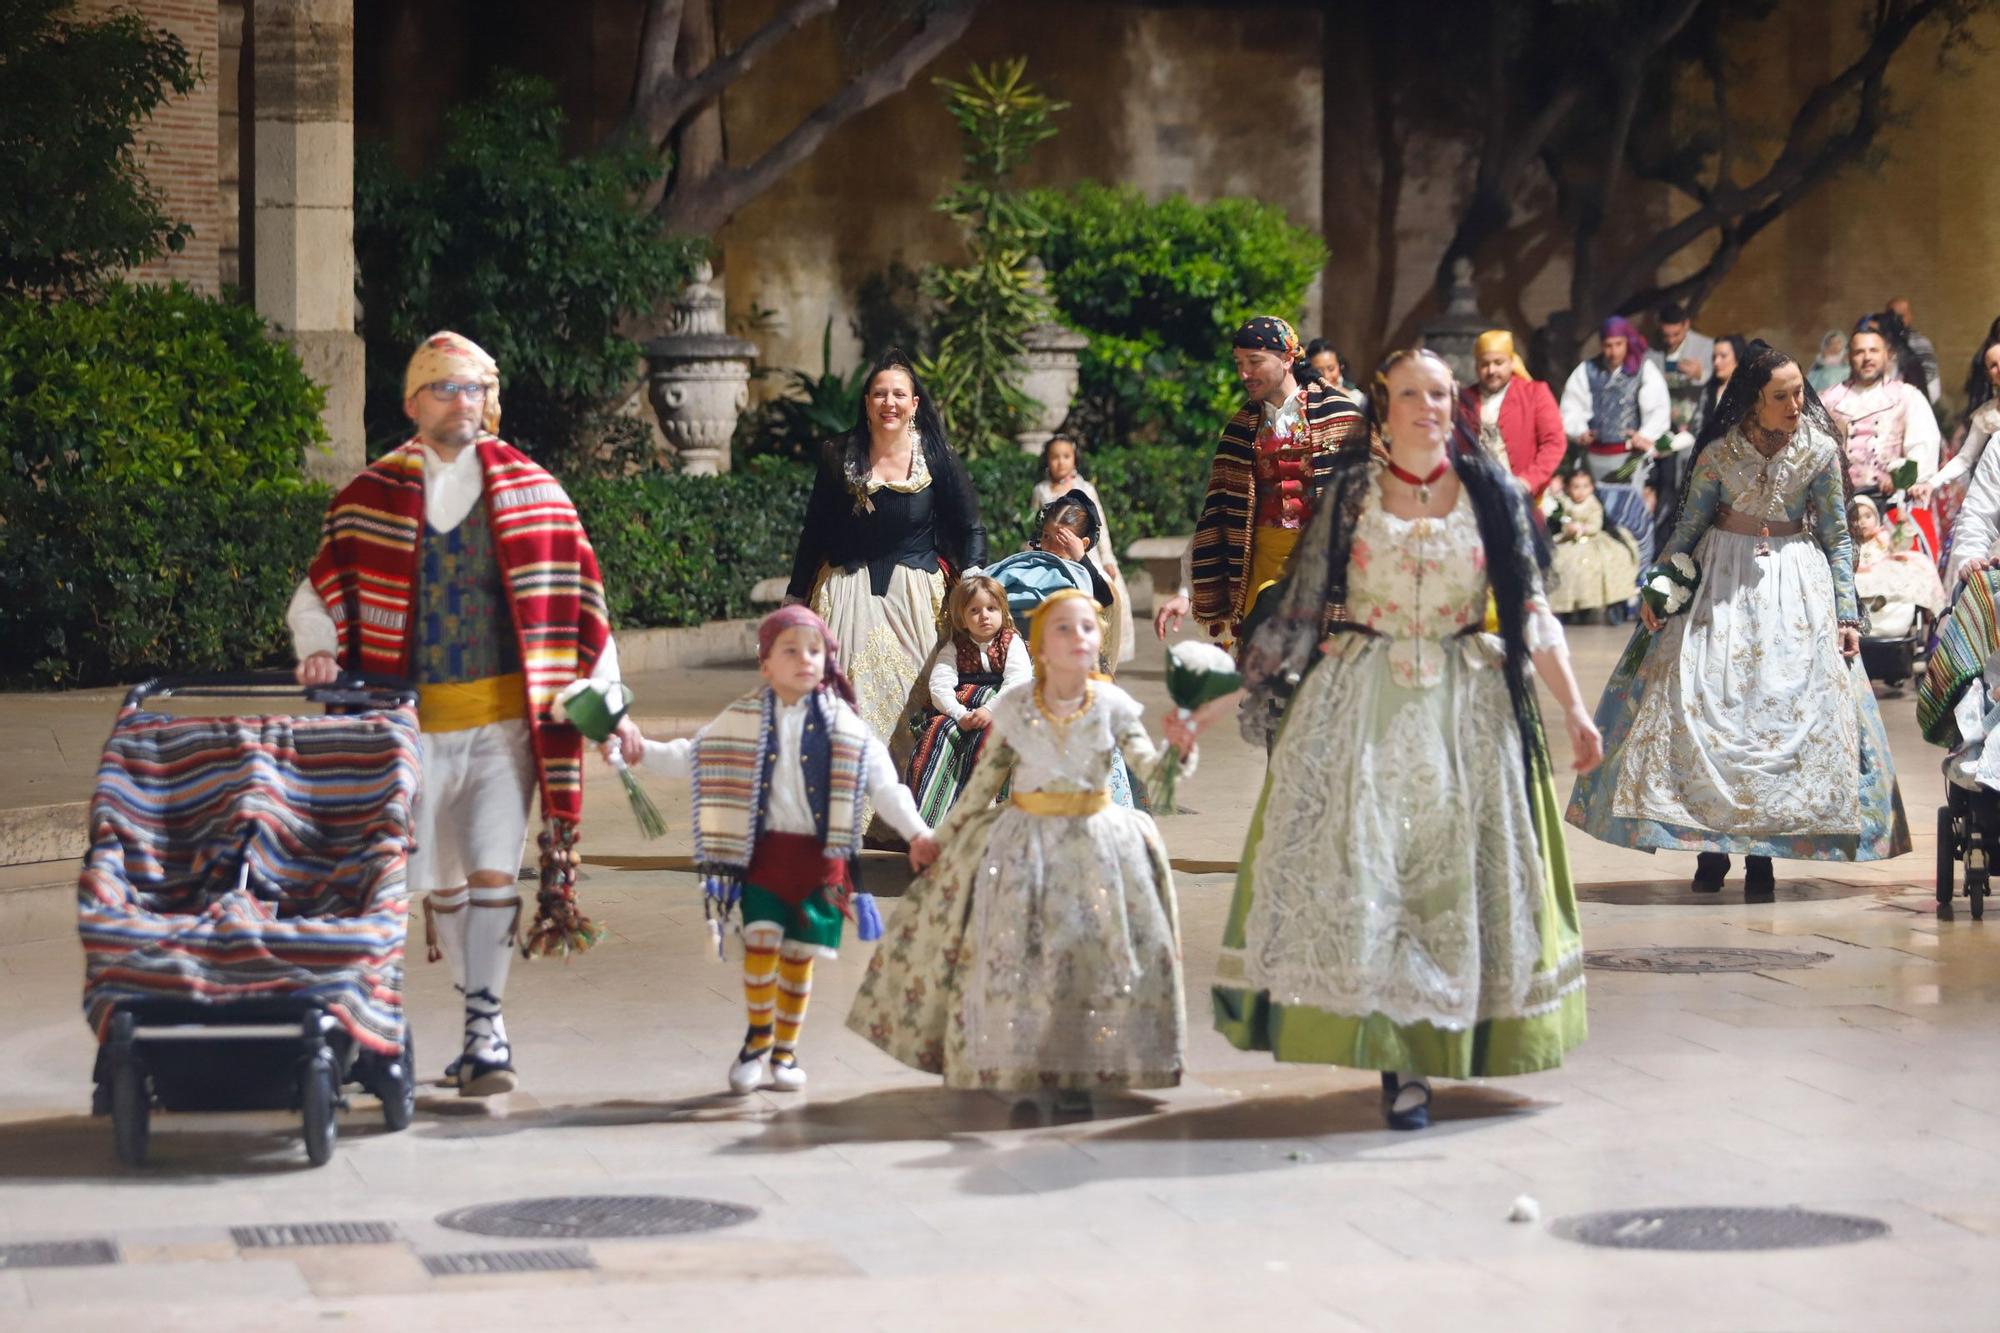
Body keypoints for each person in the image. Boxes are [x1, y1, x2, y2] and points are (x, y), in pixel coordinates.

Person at [1184, 348, 1601, 1131]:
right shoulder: (1350, 498)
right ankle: (1398, 1061)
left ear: (1457, 402)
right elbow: (1296, 615)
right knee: (1376, 872)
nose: (1427, 406)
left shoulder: (1496, 495)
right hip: (1363, 696)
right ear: (1384, 406)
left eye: (1440, 393)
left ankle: (1445, 1039)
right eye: (1409, 393)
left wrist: (1575, 711)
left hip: (1467, 703)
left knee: (1455, 877)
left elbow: (1532, 612)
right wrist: (1213, 702)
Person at [288, 331, 635, 1097]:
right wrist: (318, 647)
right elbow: (318, 591)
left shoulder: (539, 492)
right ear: (412, 403)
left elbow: (584, 607)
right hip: (404, 732)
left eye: (474, 388)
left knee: (491, 869)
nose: (462, 402)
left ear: (492, 400)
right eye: (445, 388)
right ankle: (394, 1017)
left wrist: (608, 707)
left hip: (506, 730)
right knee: (431, 882)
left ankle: (487, 1027)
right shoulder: (369, 496)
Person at [1568, 341, 1911, 895]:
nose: (1797, 404)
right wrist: (1660, 587)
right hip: (1721, 583)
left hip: (1796, 586)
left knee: (1778, 712)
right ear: (1753, 402)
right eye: (1782, 396)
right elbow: (1686, 529)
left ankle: (1762, 857)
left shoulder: (1818, 451)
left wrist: (1848, 612)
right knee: (1708, 708)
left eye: (1800, 392)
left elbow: (1838, 536)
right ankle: (1710, 847)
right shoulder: (1719, 455)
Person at [847, 589, 1188, 1118]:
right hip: (1028, 844)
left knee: (1084, 960)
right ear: (1040, 647)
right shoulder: (1019, 706)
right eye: (1063, 629)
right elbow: (981, 786)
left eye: (1088, 629)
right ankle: (1026, 1071)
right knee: (1027, 959)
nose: (1079, 638)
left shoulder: (1114, 704)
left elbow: (1153, 773)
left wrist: (1180, 750)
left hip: (1097, 846)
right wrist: (938, 836)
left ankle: (1075, 1072)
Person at [616, 607, 936, 1095]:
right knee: (762, 943)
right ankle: (757, 1039)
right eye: (791, 650)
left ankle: (784, 1051)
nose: (805, 659)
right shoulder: (743, 718)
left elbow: (885, 786)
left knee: (798, 958)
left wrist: (916, 832)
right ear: (765, 664)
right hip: (764, 858)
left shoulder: (846, 728)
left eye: (815, 650)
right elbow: (693, 756)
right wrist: (642, 751)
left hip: (820, 863)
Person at [785, 350, 987, 748]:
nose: (888, 403)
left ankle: (912, 804)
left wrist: (974, 578)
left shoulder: (936, 457)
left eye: (898, 395)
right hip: (846, 595)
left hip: (916, 598)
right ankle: (851, 804)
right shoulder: (838, 454)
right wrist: (794, 597)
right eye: (879, 394)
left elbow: (970, 528)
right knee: (848, 703)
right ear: (866, 402)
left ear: (914, 404)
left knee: (920, 700)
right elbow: (815, 531)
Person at [1154, 316, 1368, 648]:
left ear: (1287, 358)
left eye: (1254, 362)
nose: (1244, 374)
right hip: (1261, 566)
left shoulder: (1340, 416)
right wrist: (1186, 592)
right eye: (1239, 363)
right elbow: (1218, 515)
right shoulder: (1240, 430)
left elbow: (1377, 499)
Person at [897, 573, 1030, 826]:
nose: (984, 616)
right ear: (962, 618)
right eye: (975, 610)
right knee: (937, 732)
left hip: (1003, 702)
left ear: (1002, 610)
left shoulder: (1010, 642)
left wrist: (990, 709)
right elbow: (940, 685)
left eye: (991, 608)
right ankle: (932, 823)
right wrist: (959, 714)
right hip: (962, 706)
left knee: (994, 736)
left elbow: (1018, 681)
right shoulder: (954, 647)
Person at [1032, 432, 1134, 666]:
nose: (1060, 461)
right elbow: (1036, 521)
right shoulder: (1041, 490)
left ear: (1075, 459)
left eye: (1066, 456)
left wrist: (1106, 558)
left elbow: (1102, 527)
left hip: (1086, 554)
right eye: (1054, 456)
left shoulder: (1085, 487)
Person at [1823, 318, 1942, 504]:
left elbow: (1922, 449)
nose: (1867, 358)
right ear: (1849, 357)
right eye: (1859, 352)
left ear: (1887, 355)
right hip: (1840, 505)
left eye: (1874, 351)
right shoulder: (1828, 400)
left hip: (1891, 503)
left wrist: (1900, 481)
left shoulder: (1907, 397)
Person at [1560, 315, 1671, 490]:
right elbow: (1571, 405)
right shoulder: (1587, 370)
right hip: (1594, 455)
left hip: (1629, 456)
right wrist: (1579, 431)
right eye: (1608, 345)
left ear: (1626, 342)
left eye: (1618, 344)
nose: (1614, 351)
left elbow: (1659, 407)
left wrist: (1646, 435)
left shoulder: (1644, 370)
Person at [1461, 328, 1566, 496]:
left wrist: (1529, 481)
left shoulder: (1535, 393)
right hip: (1476, 495)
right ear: (1476, 366)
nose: (1491, 370)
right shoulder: (1464, 399)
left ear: (1511, 362)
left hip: (1523, 494)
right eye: (1485, 364)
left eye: (1498, 362)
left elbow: (1554, 443)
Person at [1547, 469, 1641, 620]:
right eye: (1576, 487)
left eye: (1585, 486)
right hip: (1569, 541)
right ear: (1568, 488)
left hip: (1592, 539)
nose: (1580, 491)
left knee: (1604, 562)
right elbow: (1561, 518)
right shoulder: (1565, 503)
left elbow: (1596, 524)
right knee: (1561, 563)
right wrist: (1568, 528)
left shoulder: (1592, 503)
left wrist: (1582, 528)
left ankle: (1609, 604)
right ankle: (1569, 607)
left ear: (1591, 487)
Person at [1849, 495, 1945, 639]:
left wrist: (1903, 526)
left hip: (1881, 572)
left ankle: (1882, 604)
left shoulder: (1883, 537)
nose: (1862, 522)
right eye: (1856, 518)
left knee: (1905, 570)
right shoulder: (1851, 544)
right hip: (1862, 574)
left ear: (1876, 517)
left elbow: (1900, 545)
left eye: (1867, 516)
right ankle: (1868, 609)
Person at [1649, 301, 1715, 437]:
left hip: (1696, 426)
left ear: (1686, 325)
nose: (1671, 340)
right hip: (1662, 426)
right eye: (1666, 335)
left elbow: (1725, 381)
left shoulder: (1706, 346)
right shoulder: (1651, 350)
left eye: (1676, 334)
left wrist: (1700, 374)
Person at [1885, 297, 1943, 404]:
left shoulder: (1922, 343)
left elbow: (1930, 380)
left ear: (1910, 317)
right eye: (1892, 316)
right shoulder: (1880, 342)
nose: (1897, 320)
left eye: (1901, 316)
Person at [1306, 336, 1368, 412]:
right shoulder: (1304, 400)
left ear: (1340, 366)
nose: (1326, 376)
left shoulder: (1357, 400)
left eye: (1331, 369)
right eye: (1318, 371)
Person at [1807, 330, 1849, 394]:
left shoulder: (1848, 363)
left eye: (1838, 342)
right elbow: (1811, 383)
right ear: (1827, 346)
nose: (1835, 346)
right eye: (1832, 343)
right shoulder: (1819, 365)